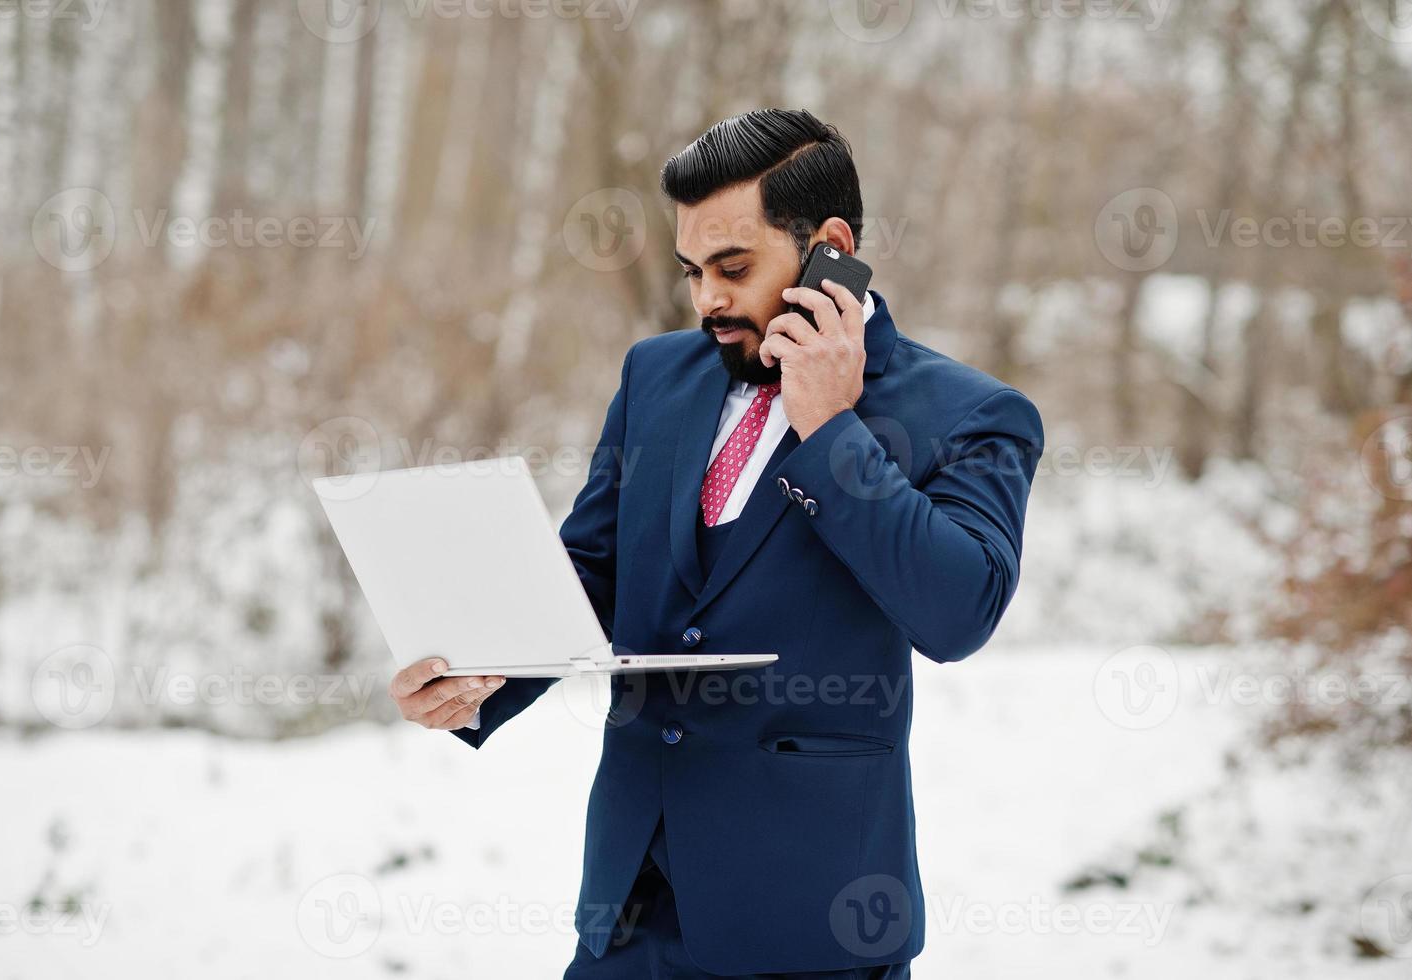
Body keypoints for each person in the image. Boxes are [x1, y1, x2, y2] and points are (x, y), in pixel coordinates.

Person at [390, 108, 1045, 978]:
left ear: (830, 248)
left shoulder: (968, 414)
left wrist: (829, 429)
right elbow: (593, 571)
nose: (706, 300)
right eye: (692, 270)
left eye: (733, 267)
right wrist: (474, 680)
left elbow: (959, 612)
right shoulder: (655, 375)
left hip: (814, 922)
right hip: (629, 911)